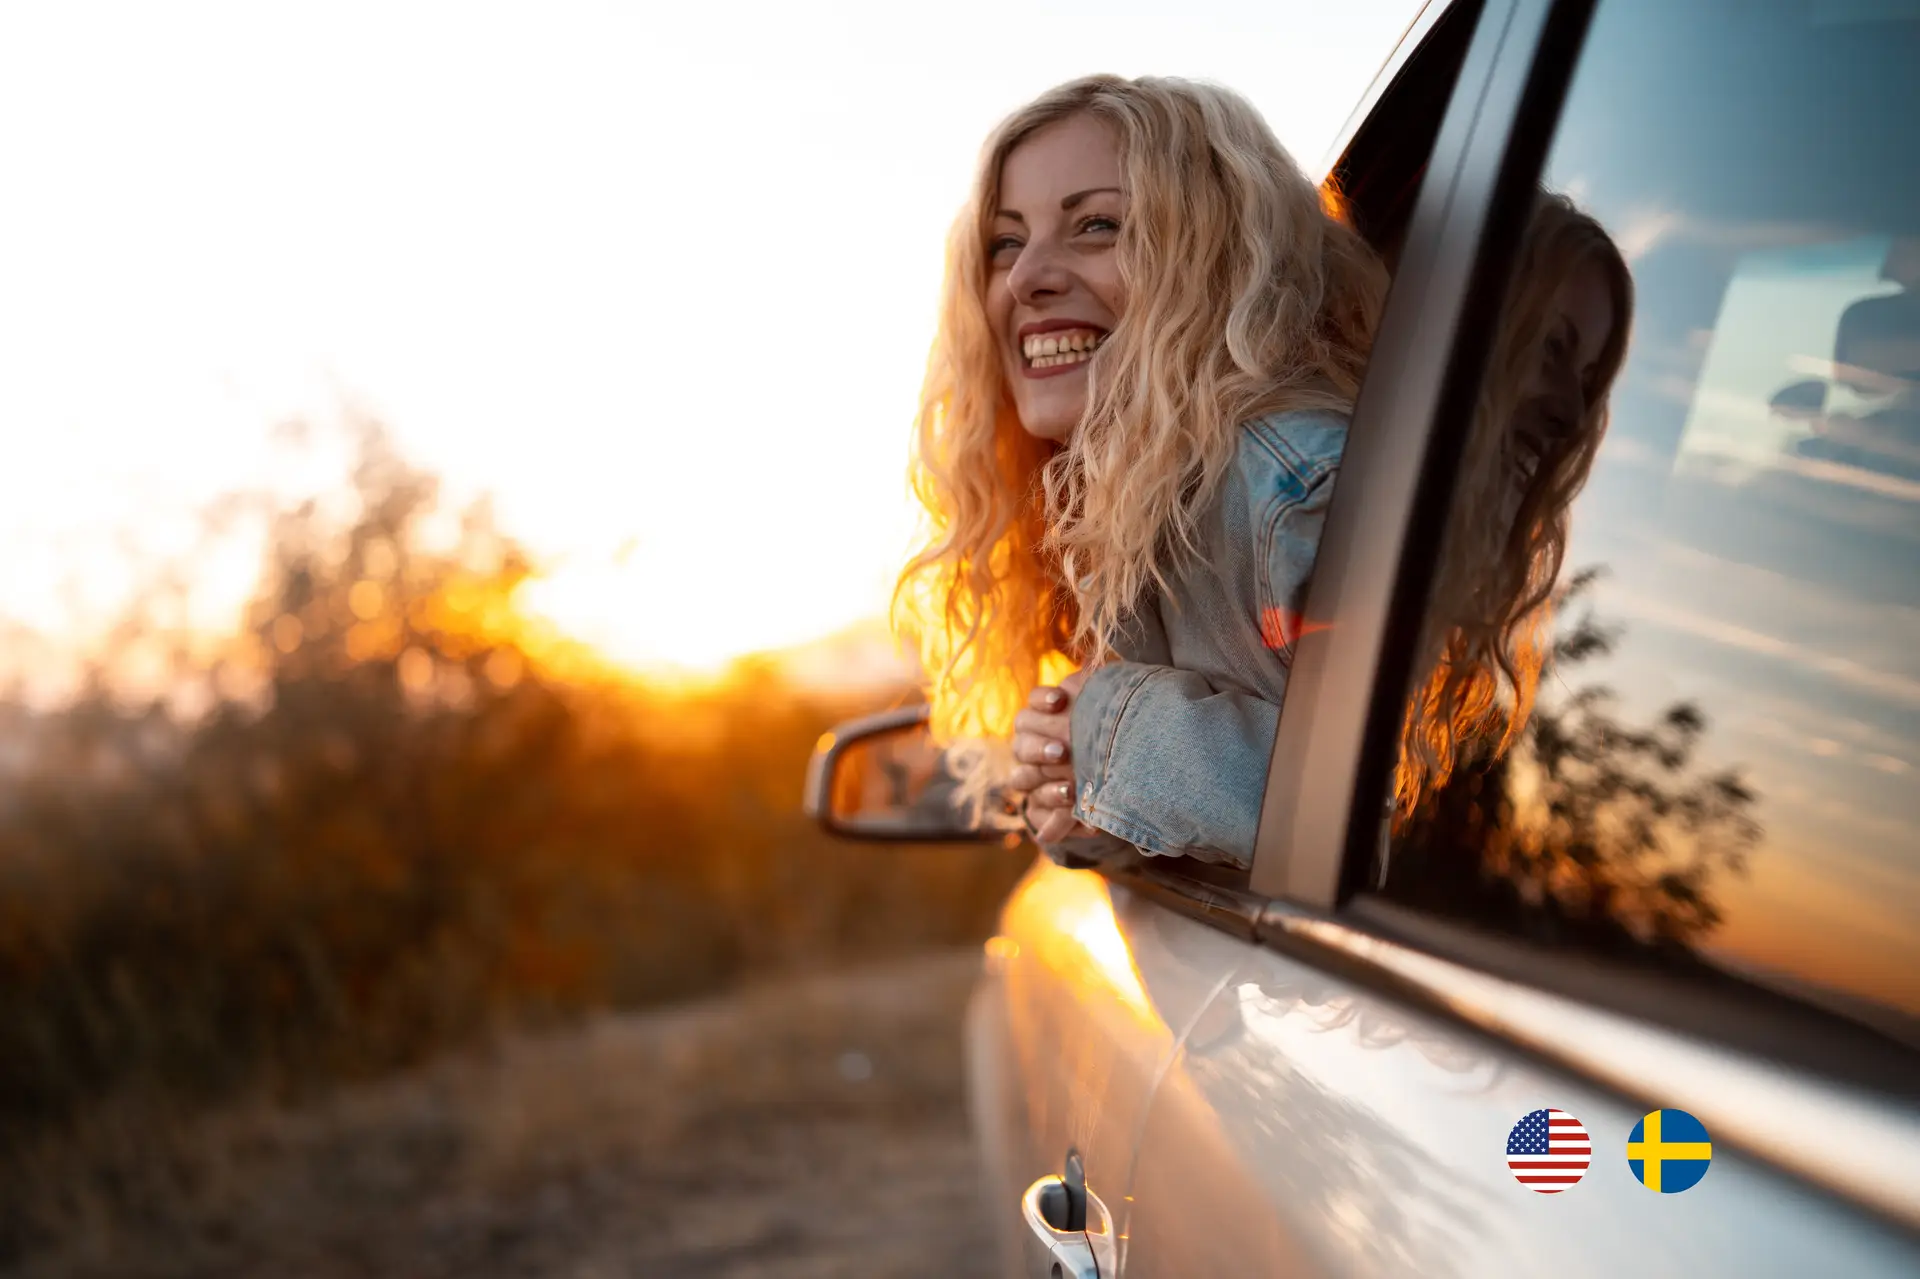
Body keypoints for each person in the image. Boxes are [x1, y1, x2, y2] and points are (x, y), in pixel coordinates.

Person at [893, 73, 1386, 867]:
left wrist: (1108, 731)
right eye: (1006, 242)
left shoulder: (1296, 488)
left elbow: (1393, 813)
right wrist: (1097, 805)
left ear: (1219, 257)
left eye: (1095, 225)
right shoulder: (1139, 499)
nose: (1026, 278)